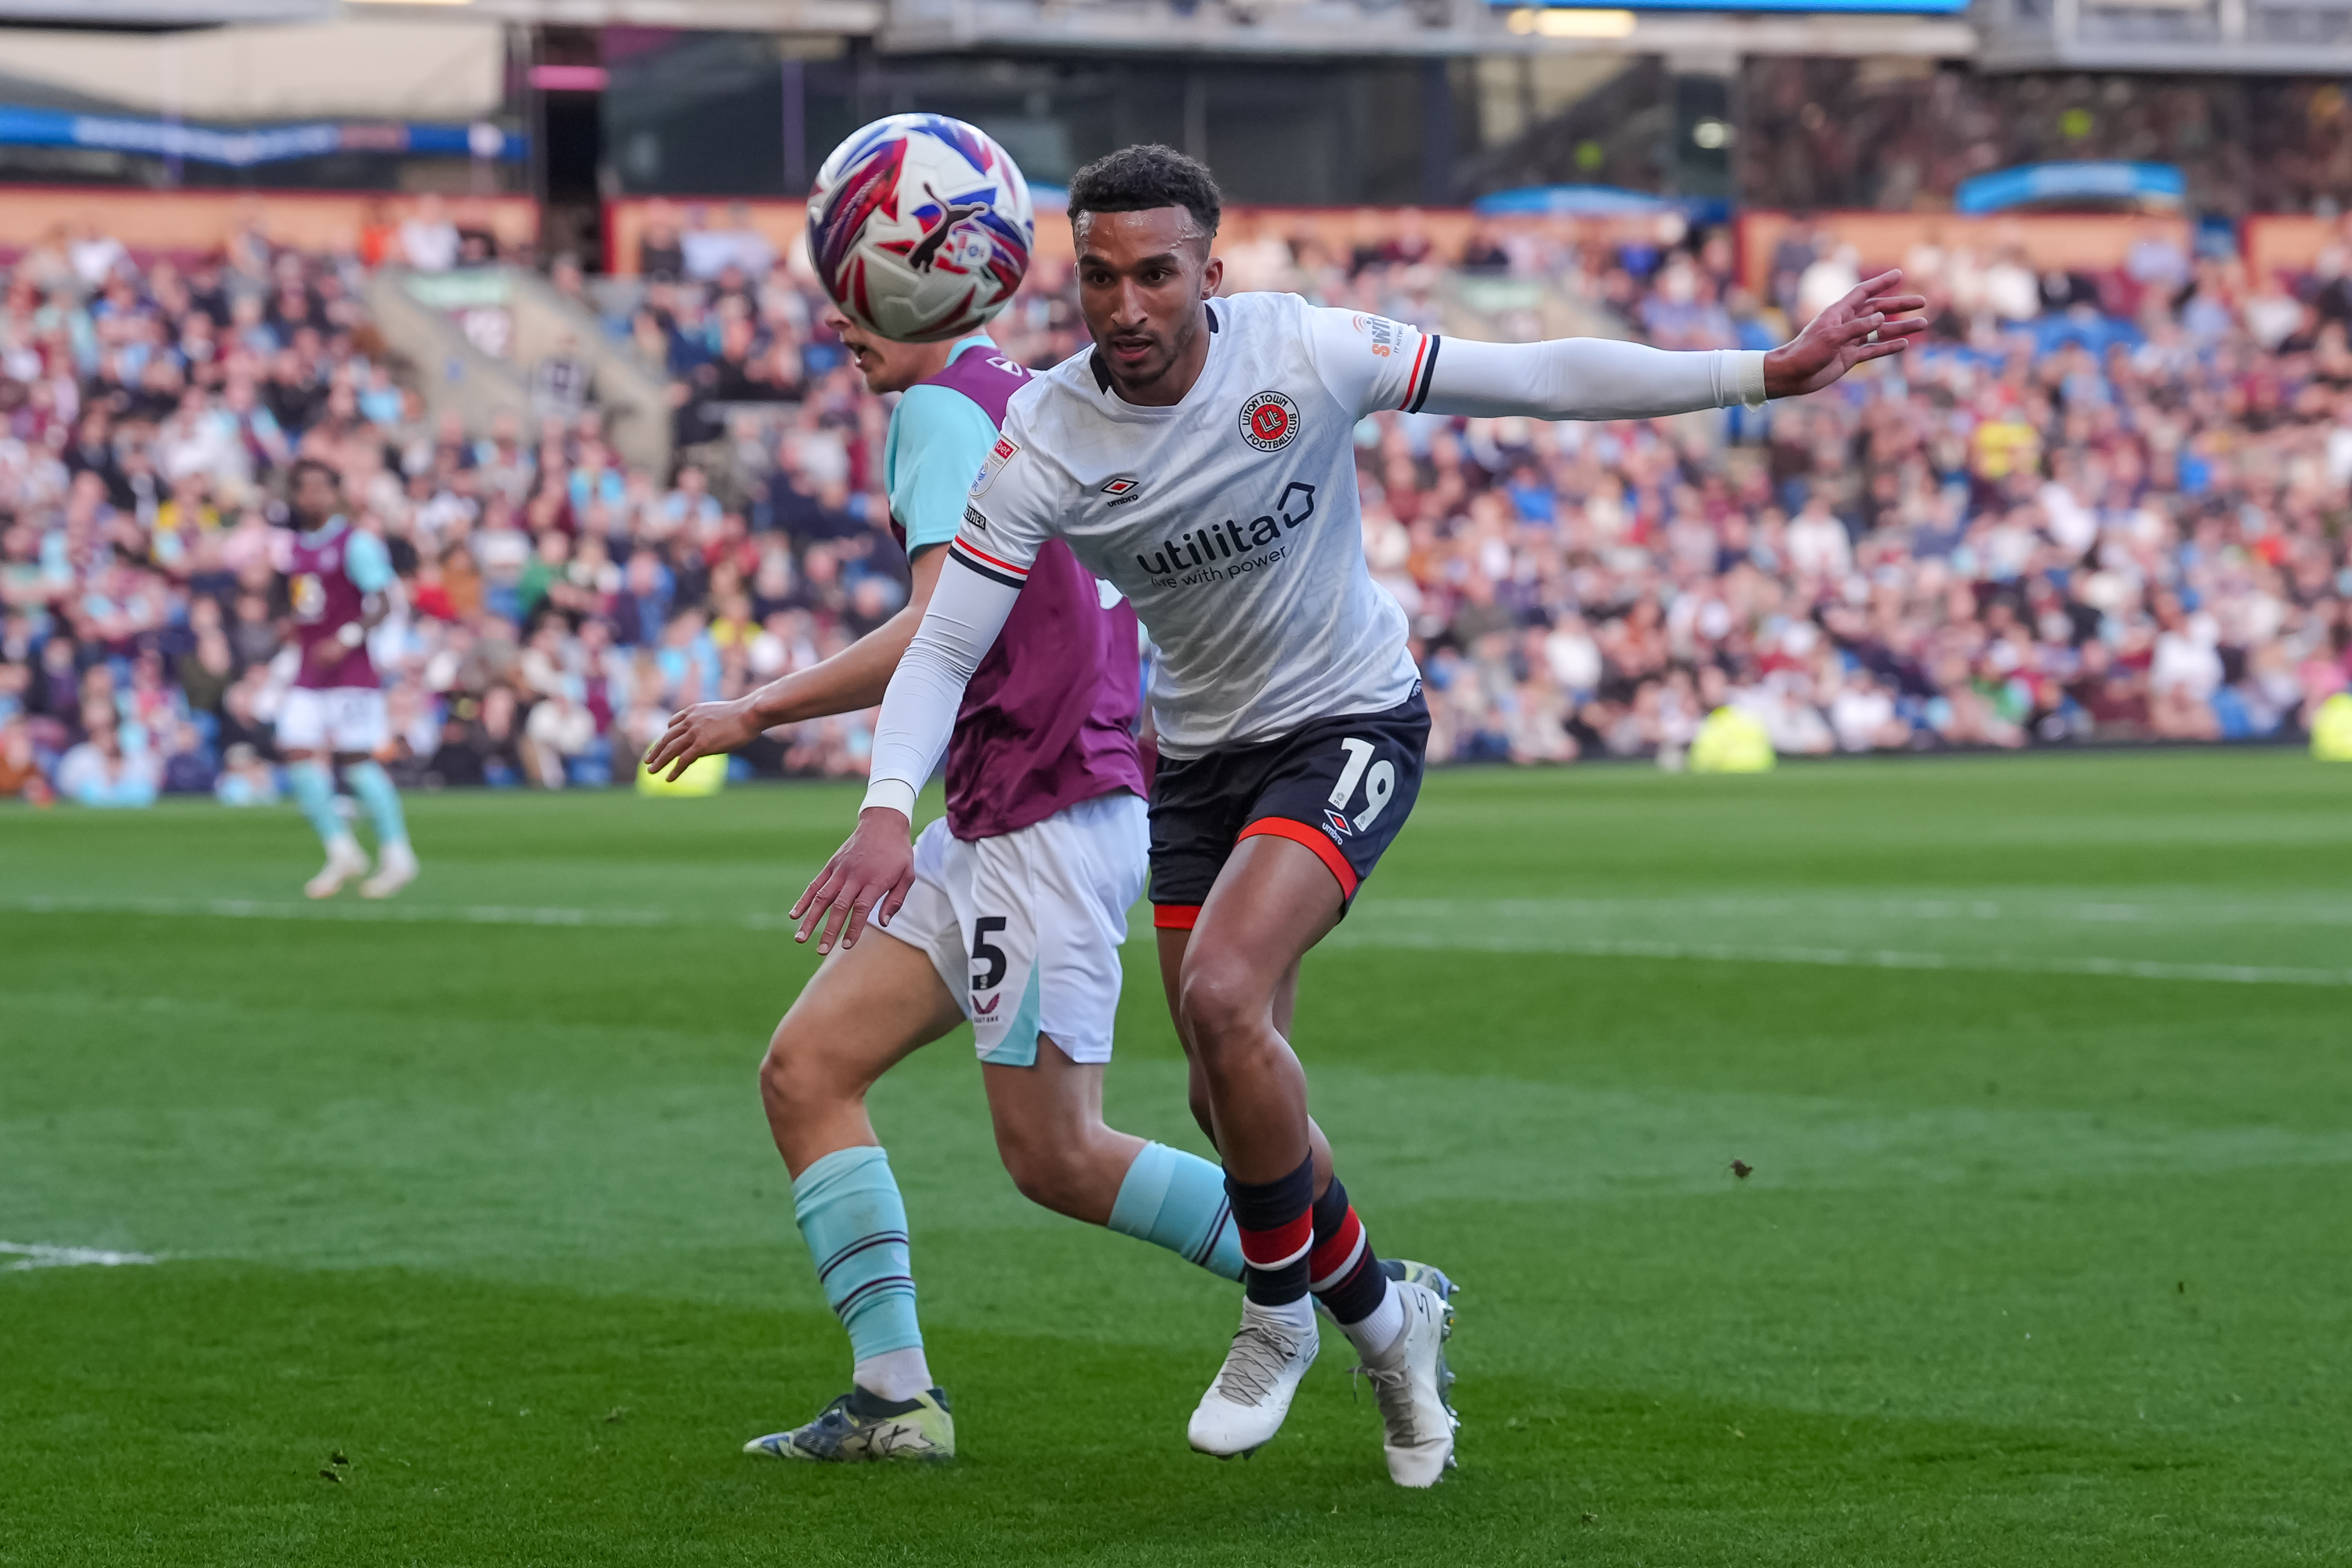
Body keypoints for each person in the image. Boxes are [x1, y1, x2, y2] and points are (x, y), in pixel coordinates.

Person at [791, 145, 1925, 1486]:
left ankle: (1277, 1313)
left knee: (1222, 993)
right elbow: (940, 645)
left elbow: (1540, 376)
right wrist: (880, 805)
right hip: (1200, 767)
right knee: (1231, 1105)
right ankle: (1391, 1324)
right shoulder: (1045, 437)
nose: (1128, 306)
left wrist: (1761, 373)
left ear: (1210, 275)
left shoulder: (1306, 354)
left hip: (1348, 723)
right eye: (1100, 278)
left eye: (1158, 274)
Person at [644, 301, 1250, 1465]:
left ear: (930, 291)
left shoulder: (938, 407)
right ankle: (894, 1399)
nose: (835, 322)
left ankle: (1359, 1276)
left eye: (861, 293)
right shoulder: (1033, 398)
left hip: (1041, 821)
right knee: (808, 1070)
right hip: (1013, 809)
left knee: (1060, 1157)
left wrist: (761, 713)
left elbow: (938, 625)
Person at [276, 459, 419, 898]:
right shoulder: (296, 548)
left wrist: (347, 637)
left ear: (335, 493)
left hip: (350, 672)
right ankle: (341, 849)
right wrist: (293, 624)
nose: (311, 497)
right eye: (304, 489)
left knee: (356, 763)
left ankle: (397, 855)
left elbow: (381, 600)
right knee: (296, 749)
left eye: (320, 488)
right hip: (309, 671)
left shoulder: (354, 542)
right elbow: (311, 602)